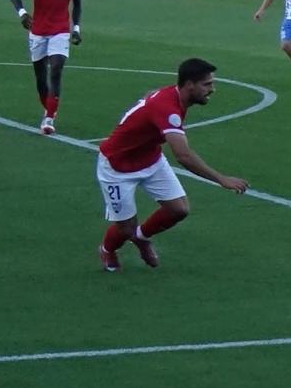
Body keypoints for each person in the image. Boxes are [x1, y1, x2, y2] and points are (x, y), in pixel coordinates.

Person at [96, 58, 249, 272]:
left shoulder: (173, 97)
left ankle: (141, 238)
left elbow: (153, 96)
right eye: (207, 84)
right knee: (125, 228)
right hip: (117, 167)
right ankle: (107, 249)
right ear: (189, 85)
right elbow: (183, 156)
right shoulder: (168, 109)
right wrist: (221, 179)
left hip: (150, 159)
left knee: (179, 209)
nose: (212, 89)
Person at [10, 0, 83, 136]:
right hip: (38, 30)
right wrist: (23, 14)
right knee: (40, 77)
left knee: (56, 69)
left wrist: (76, 28)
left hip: (60, 30)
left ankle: (49, 117)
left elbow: (77, 5)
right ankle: (48, 108)